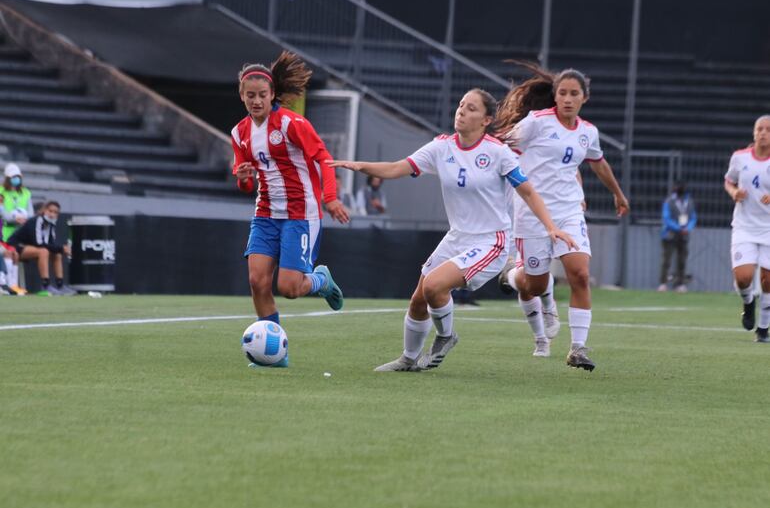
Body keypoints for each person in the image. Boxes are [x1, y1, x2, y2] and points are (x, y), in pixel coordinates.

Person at [330, 88, 576, 372]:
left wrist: (551, 227)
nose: (462, 111)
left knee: (435, 285)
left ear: (485, 120)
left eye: (471, 108)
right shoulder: (441, 147)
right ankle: (408, 359)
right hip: (457, 237)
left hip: (491, 240)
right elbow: (398, 167)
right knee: (418, 300)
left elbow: (529, 192)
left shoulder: (498, 153)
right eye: (461, 105)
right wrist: (361, 166)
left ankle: (446, 337)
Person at [496, 64, 630, 371]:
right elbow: (503, 146)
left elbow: (597, 164)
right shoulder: (535, 123)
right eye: (562, 93)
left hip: (569, 211)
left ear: (585, 97)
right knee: (534, 284)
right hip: (531, 213)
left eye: (574, 93)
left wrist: (618, 194)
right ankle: (512, 276)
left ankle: (578, 348)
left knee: (580, 273)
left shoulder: (588, 132)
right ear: (554, 96)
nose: (568, 99)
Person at [231, 51, 350, 366]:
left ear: (272, 95)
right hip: (266, 213)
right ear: (242, 96)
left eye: (262, 95)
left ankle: (321, 280)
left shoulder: (291, 123)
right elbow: (245, 183)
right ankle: (274, 354)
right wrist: (243, 179)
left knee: (289, 288)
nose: (257, 101)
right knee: (257, 281)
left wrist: (331, 196)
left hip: (300, 214)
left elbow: (323, 157)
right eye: (250, 96)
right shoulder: (239, 133)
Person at [723, 114, 770, 343]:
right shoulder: (740, 158)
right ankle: (748, 302)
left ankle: (763, 329)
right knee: (743, 278)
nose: (763, 133)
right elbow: (729, 181)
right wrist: (734, 193)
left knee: (768, 281)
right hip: (744, 227)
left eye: (767, 130)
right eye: (759, 129)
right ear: (754, 133)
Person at [7, 200, 76, 296]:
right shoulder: (37, 220)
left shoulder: (52, 224)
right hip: (15, 246)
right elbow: (39, 243)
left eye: (55, 212)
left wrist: (60, 249)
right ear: (44, 210)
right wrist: (61, 248)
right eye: (50, 211)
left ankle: (60, 286)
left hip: (31, 248)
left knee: (57, 254)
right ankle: (45, 286)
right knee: (44, 251)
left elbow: (51, 244)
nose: (52, 214)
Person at [658, 181, 697, 293]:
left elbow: (693, 217)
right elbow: (666, 218)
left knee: (682, 260)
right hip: (669, 234)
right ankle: (663, 283)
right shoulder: (669, 201)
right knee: (667, 260)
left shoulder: (689, 201)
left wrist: (688, 228)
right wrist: (678, 228)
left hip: (683, 235)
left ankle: (680, 284)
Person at [1, 163, 33, 242]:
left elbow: (31, 213)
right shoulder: (1, 191)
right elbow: (2, 211)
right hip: (5, 230)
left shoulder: (26, 192)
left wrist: (24, 219)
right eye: (13, 177)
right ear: (7, 178)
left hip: (22, 231)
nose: (16, 178)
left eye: (18, 176)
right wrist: (14, 218)